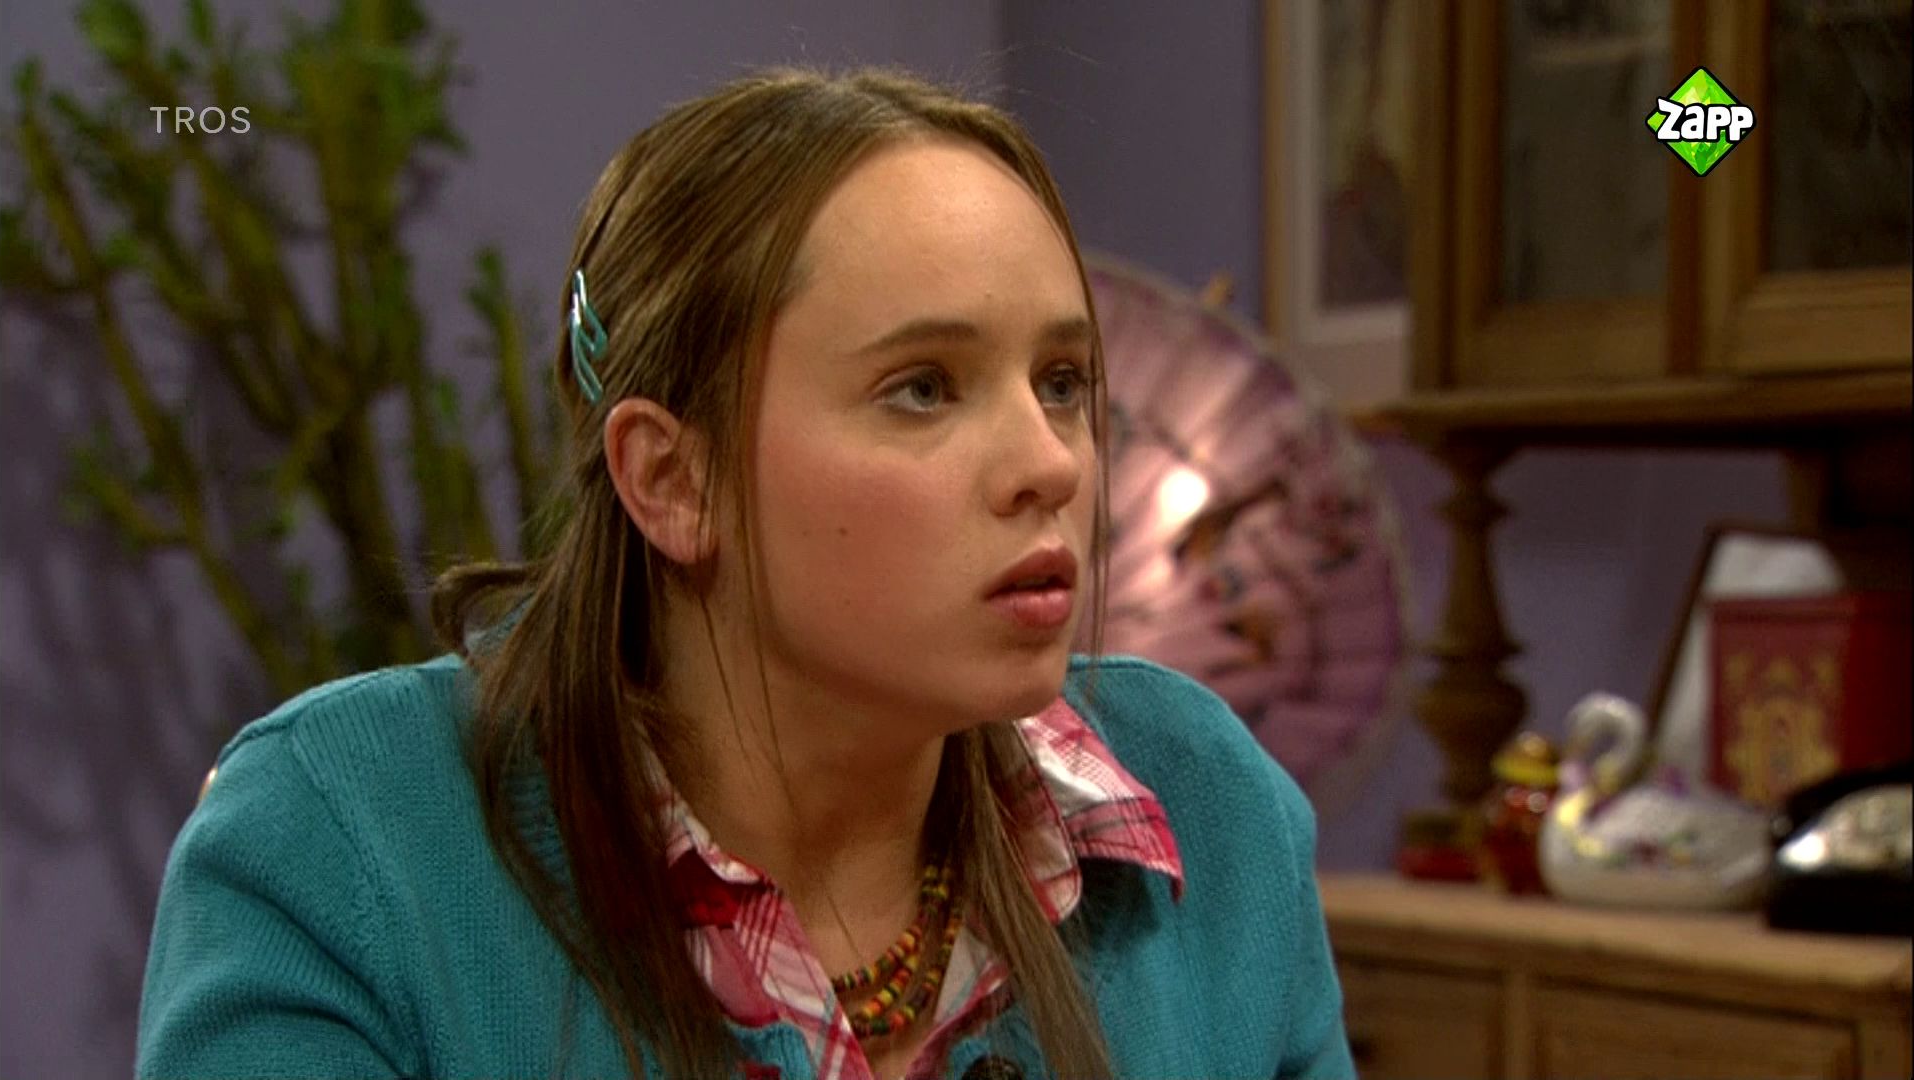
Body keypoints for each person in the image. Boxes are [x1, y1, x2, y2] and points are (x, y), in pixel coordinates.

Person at [136, 67, 1354, 1080]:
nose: (1051, 464)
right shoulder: (342, 847)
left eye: (1063, 382)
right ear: (673, 480)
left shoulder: (1208, 804)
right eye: (923, 388)